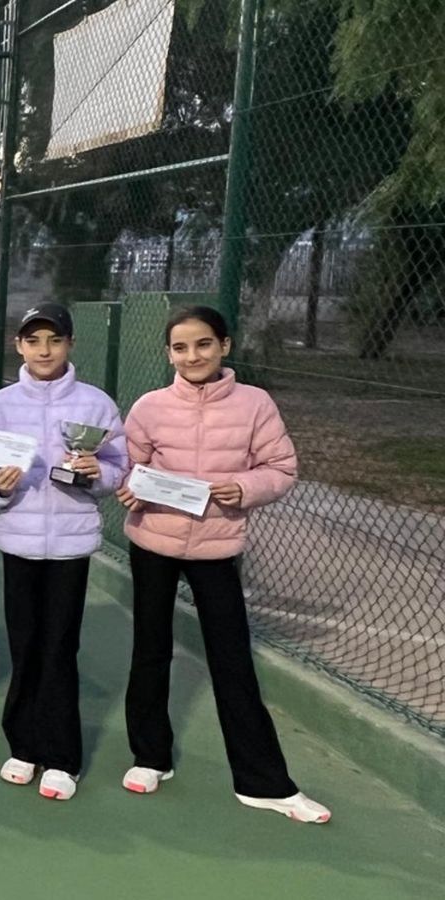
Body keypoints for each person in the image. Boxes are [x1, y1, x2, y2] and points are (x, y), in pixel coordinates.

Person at [117, 306, 330, 824]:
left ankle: (263, 782)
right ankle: (150, 757)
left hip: (218, 549)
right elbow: (128, 464)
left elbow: (281, 468)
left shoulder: (256, 405)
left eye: (204, 344)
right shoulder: (149, 406)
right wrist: (131, 490)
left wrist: (246, 488)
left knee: (232, 661)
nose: (193, 356)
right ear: (168, 354)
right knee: (150, 650)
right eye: (181, 347)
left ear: (225, 347)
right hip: (153, 543)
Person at [0, 302, 128, 801]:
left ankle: (63, 757)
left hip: (70, 546)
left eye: (54, 340)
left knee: (60, 648)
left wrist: (97, 474)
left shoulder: (95, 403)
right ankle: (23, 746)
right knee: (24, 646)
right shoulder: (0, 404)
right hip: (18, 543)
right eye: (33, 340)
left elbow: (116, 467)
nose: (44, 350)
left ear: (69, 344)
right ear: (19, 346)